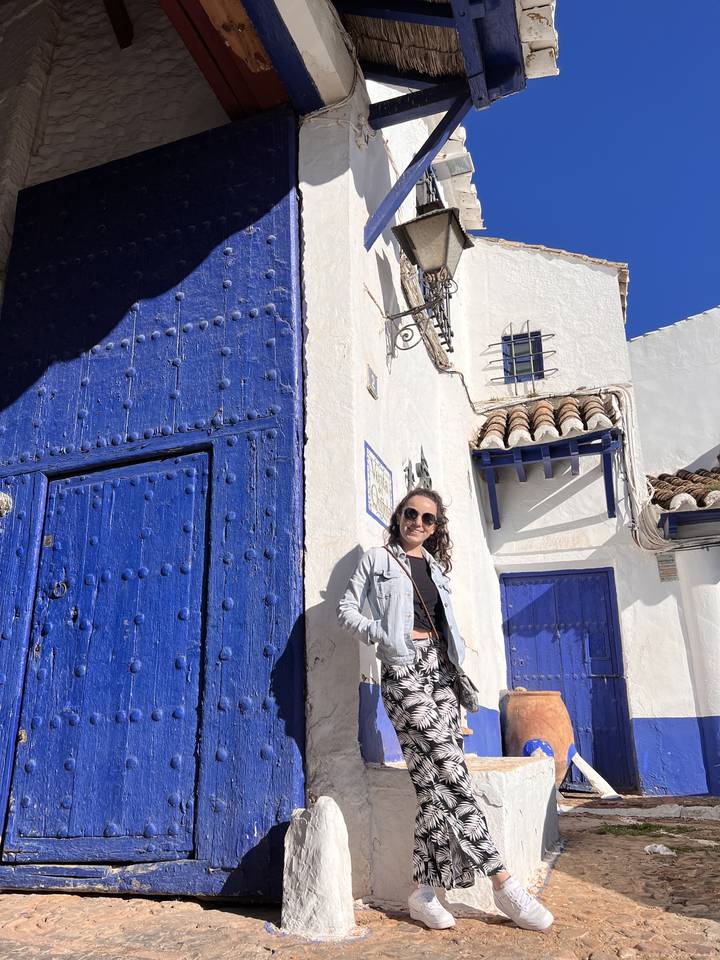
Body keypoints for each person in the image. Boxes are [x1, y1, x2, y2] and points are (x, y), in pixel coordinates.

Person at [337, 488, 554, 932]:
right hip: (402, 673)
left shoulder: (437, 569)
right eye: (411, 514)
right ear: (399, 517)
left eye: (428, 519)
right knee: (452, 769)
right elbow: (345, 609)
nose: (418, 522)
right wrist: (382, 634)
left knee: (434, 787)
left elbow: (446, 628)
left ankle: (423, 893)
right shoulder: (377, 561)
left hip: (441, 673)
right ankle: (503, 882)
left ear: (436, 529)